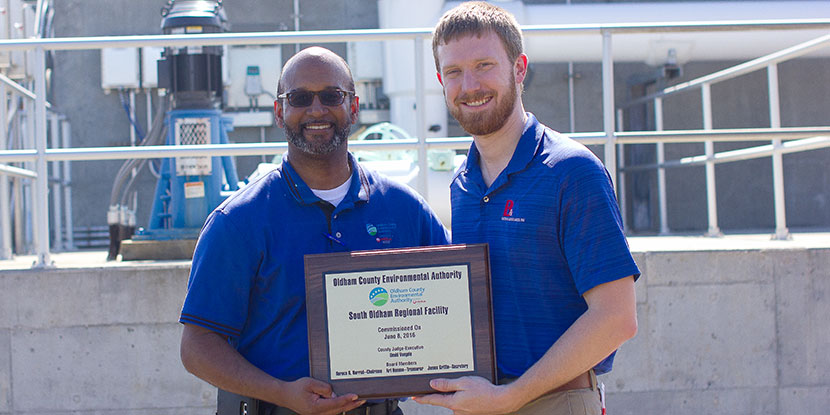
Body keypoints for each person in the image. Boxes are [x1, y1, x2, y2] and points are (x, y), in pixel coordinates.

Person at [179, 46, 449, 415]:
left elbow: (454, 301)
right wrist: (280, 392)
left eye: (332, 96)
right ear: (280, 112)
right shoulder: (239, 221)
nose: (317, 109)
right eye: (300, 98)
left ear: (353, 107)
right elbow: (197, 347)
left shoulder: (404, 209)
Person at [413, 3, 640, 415]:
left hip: (555, 401)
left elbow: (616, 317)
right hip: (483, 400)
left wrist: (509, 398)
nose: (470, 85)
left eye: (484, 65)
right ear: (440, 81)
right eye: (454, 72)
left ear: (519, 69)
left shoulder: (572, 171)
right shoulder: (462, 184)